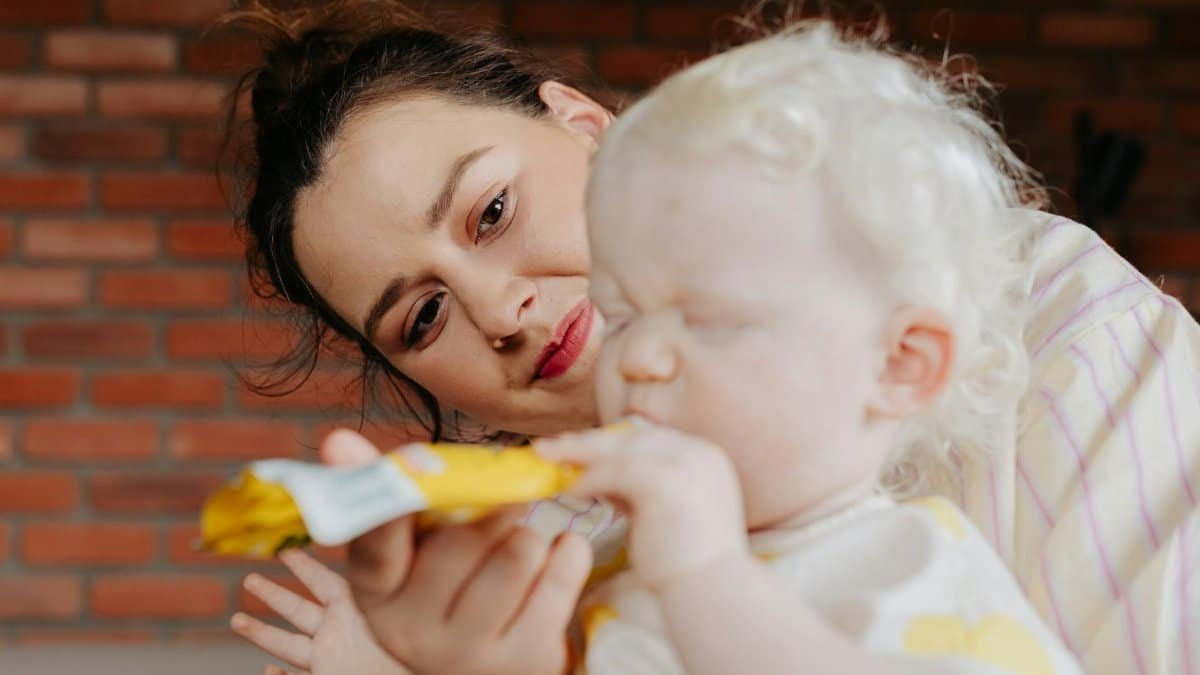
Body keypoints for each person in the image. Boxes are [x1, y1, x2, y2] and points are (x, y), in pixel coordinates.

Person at [220, 2, 1200, 674]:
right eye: (422, 317)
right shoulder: (508, 579)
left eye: (493, 211)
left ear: (583, 124)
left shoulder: (1030, 312)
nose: (499, 308)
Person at [522, 22, 1084, 673]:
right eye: (619, 317)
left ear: (899, 364)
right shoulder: (604, 557)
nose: (637, 359)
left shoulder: (913, 567)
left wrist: (707, 578)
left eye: (706, 320)